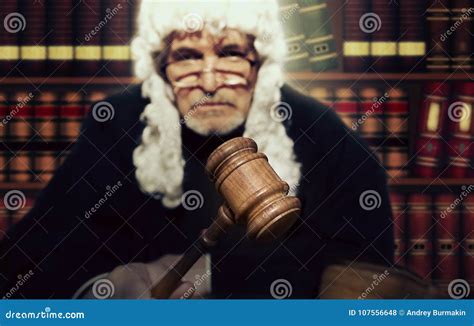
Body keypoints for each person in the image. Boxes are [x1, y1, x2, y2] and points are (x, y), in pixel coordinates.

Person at [0, 0, 393, 299]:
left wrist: (213, 274)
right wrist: (107, 286)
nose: (208, 80)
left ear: (259, 63)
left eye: (230, 54)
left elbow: (365, 272)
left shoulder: (317, 130)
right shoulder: (118, 124)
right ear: (160, 67)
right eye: (187, 57)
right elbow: (39, 252)